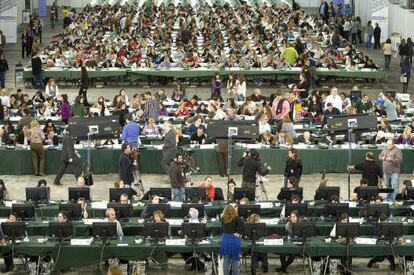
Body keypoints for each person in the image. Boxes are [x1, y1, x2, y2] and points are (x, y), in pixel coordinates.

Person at [219, 204, 243, 275]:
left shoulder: (222, 218)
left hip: (225, 240)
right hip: (234, 240)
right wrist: (238, 232)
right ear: (233, 211)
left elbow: (222, 215)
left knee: (226, 261)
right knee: (235, 261)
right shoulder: (236, 218)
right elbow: (242, 223)